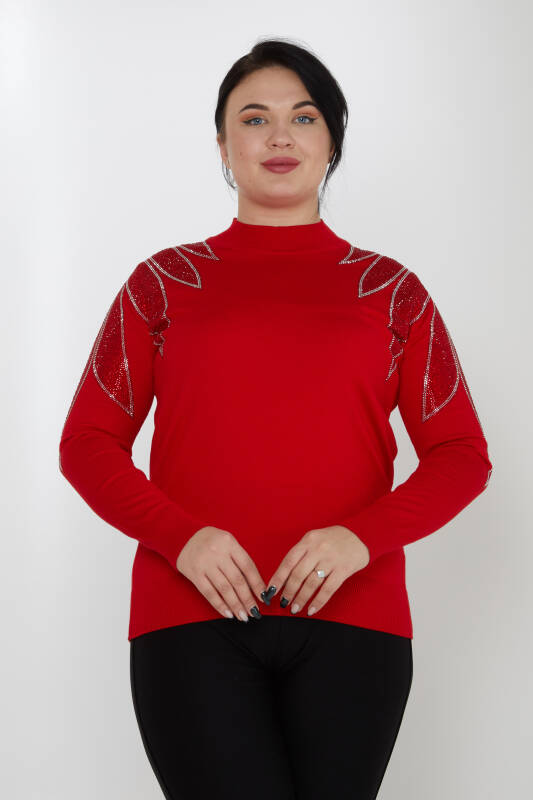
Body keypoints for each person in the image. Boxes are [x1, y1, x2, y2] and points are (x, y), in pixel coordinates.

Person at [59, 37, 493, 800]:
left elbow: (460, 453)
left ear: (332, 142)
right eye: (254, 118)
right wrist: (180, 537)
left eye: (304, 116)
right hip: (188, 618)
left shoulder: (391, 292)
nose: (280, 136)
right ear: (222, 145)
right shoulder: (163, 284)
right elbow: (87, 443)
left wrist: (360, 537)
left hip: (355, 621)